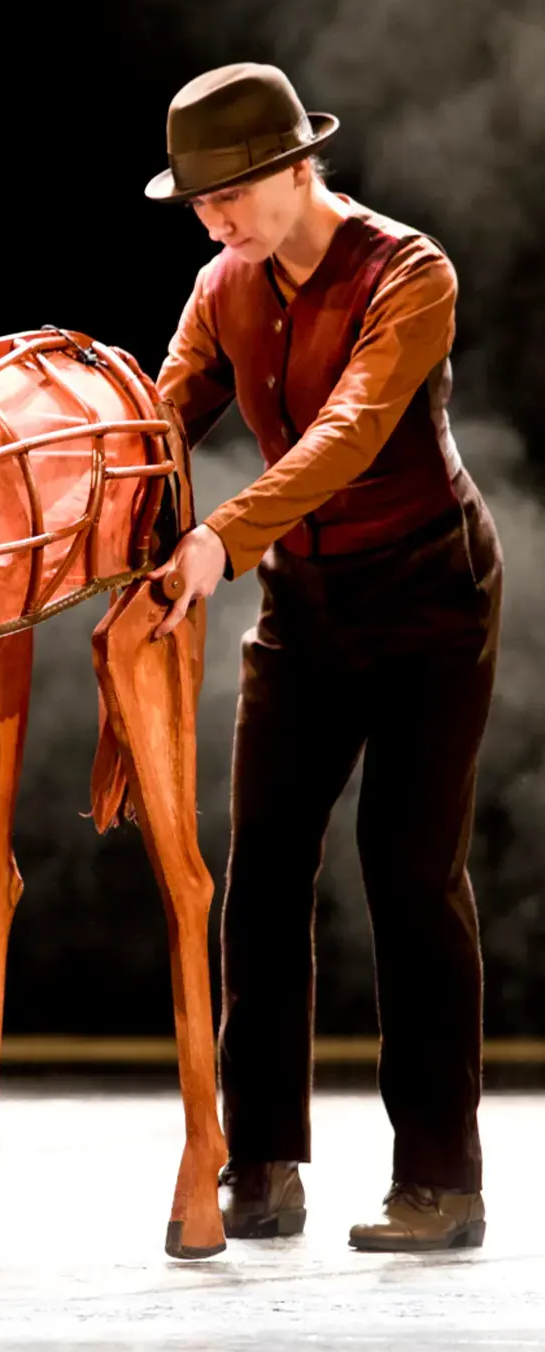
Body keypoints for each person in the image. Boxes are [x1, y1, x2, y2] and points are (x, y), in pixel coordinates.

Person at [146, 64, 501, 1251]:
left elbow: (349, 429)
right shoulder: (220, 287)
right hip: (304, 608)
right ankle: (258, 1164)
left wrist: (220, 534)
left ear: (298, 166)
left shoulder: (407, 273)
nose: (214, 221)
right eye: (199, 204)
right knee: (258, 876)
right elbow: (157, 422)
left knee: (407, 873)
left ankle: (439, 1182)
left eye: (229, 194)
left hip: (428, 598)